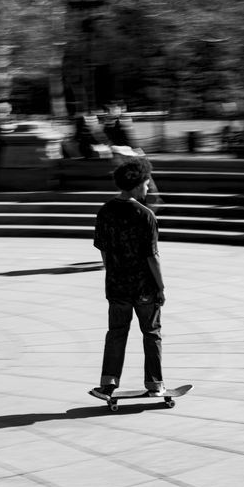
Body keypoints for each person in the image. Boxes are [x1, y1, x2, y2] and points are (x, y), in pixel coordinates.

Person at [91, 157, 166, 399]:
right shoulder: (145, 215)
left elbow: (103, 251)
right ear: (136, 184)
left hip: (117, 286)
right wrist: (161, 287)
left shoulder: (105, 212)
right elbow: (151, 256)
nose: (147, 187)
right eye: (146, 183)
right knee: (151, 334)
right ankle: (155, 384)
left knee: (116, 333)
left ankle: (108, 382)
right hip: (144, 286)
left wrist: (113, 273)